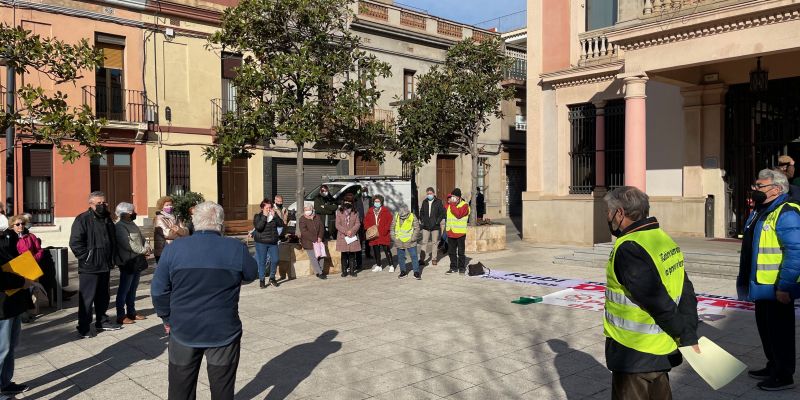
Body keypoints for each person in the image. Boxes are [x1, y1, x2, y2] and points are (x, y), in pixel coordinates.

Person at [151, 201, 257, 400]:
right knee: (222, 388)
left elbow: (157, 290)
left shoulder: (174, 249)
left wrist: (166, 318)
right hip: (223, 330)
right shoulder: (235, 247)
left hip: (183, 328)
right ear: (221, 223)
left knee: (180, 389)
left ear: (194, 222)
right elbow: (252, 273)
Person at [603, 186, 700, 399]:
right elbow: (686, 291)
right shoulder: (662, 238)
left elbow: (658, 301)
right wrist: (688, 330)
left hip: (634, 351)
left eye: (608, 212)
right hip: (661, 346)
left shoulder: (629, 247)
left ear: (619, 213)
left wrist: (684, 334)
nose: (608, 217)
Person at [737, 169, 800, 391]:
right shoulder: (762, 211)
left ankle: (784, 375)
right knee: (767, 331)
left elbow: (796, 251)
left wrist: (786, 286)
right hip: (762, 285)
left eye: (759, 186)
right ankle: (773, 365)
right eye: (755, 186)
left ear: (776, 189)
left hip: (777, 287)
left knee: (781, 334)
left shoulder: (787, 212)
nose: (755, 189)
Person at [69, 191, 121, 338]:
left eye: (104, 203)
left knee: (103, 296)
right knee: (87, 298)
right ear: (91, 204)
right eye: (99, 203)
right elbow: (75, 242)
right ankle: (83, 327)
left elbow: (112, 240)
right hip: (89, 266)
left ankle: (102, 321)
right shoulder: (82, 219)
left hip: (105, 264)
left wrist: (113, 257)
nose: (102, 205)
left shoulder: (107, 218)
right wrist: (87, 257)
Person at [0, 212, 33, 398]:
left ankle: (5, 383)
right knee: (2, 348)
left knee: (11, 346)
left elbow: (14, 258)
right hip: (2, 305)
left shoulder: (7, 238)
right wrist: (22, 282)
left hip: (13, 302)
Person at [113, 203, 151, 325]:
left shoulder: (132, 224)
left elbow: (141, 237)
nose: (134, 213)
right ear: (126, 213)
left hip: (137, 261)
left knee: (133, 289)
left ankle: (131, 312)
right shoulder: (119, 227)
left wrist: (147, 245)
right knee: (124, 289)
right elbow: (128, 244)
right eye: (132, 211)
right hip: (128, 262)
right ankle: (120, 315)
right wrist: (143, 250)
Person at [253, 198, 284, 288]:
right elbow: (259, 227)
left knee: (275, 259)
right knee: (262, 261)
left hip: (273, 242)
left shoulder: (274, 216)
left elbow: (281, 224)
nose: (269, 210)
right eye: (267, 208)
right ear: (262, 208)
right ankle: (262, 280)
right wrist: (264, 216)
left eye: (270, 208)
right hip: (261, 242)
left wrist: (275, 216)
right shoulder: (257, 216)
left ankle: (272, 278)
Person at [154, 196, 189, 263]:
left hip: (176, 249)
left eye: (170, 205)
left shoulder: (175, 217)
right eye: (167, 205)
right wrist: (180, 232)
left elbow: (186, 232)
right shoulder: (159, 218)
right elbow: (167, 234)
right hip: (164, 250)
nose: (169, 207)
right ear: (162, 206)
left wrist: (178, 230)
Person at [391, 206, 421, 280]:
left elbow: (417, 228)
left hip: (410, 241)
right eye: (402, 216)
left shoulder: (412, 216)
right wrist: (394, 238)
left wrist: (413, 238)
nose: (403, 217)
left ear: (408, 213)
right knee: (401, 257)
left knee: (414, 256)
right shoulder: (396, 216)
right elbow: (392, 228)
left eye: (404, 216)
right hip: (399, 241)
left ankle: (416, 272)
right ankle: (403, 272)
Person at [364, 195, 393, 272]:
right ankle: (378, 265)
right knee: (376, 250)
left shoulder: (385, 211)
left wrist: (386, 229)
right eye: (375, 201)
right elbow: (366, 221)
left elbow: (390, 221)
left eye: (378, 201)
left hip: (384, 233)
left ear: (381, 202)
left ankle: (391, 265)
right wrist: (368, 229)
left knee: (386, 250)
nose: (377, 203)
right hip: (374, 234)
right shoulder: (370, 211)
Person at [445, 189, 470, 274]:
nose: (453, 199)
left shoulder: (465, 205)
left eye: (454, 197)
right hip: (450, 232)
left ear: (459, 198)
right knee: (451, 252)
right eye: (452, 197)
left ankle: (462, 268)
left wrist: (452, 205)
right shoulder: (450, 205)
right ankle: (453, 267)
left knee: (461, 252)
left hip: (460, 233)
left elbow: (458, 215)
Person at [298, 204, 326, 280]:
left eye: (308, 209)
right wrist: (314, 239)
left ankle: (320, 270)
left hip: (319, 241)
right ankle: (319, 273)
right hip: (308, 242)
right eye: (305, 210)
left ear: (312, 209)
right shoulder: (302, 219)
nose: (307, 211)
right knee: (313, 258)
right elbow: (304, 231)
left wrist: (320, 237)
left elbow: (321, 227)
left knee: (321, 256)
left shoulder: (317, 217)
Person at [419, 187, 445, 266]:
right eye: (428, 194)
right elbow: (421, 212)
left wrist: (437, 222)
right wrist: (423, 221)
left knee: (434, 243)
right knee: (424, 242)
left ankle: (434, 258)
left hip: (435, 226)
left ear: (434, 194)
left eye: (430, 193)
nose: (429, 195)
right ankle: (422, 259)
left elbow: (442, 213)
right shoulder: (424, 202)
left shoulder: (439, 202)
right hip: (426, 226)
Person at [335, 202, 361, 278]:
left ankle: (352, 271)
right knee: (344, 255)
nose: (348, 210)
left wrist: (352, 231)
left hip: (352, 236)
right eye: (346, 208)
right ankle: (344, 271)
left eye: (349, 208)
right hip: (342, 236)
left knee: (352, 254)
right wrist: (346, 231)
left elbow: (357, 223)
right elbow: (337, 224)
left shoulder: (355, 213)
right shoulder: (339, 212)